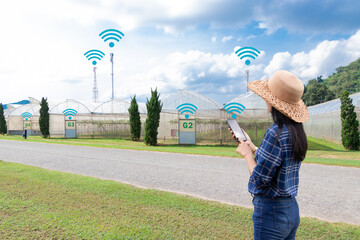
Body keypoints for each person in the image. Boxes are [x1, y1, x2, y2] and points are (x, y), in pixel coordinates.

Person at [229, 70, 309, 240]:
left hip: (271, 212)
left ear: (272, 102)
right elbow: (277, 162)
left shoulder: (275, 132)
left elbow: (259, 180)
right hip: (291, 210)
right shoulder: (295, 131)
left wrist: (247, 155)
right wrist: (251, 146)